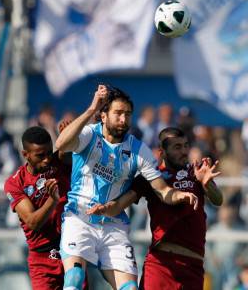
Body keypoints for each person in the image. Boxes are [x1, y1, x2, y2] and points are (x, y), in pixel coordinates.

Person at [55, 85, 199, 290]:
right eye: (118, 113)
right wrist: (91, 109)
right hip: (79, 217)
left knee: (130, 288)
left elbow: (163, 190)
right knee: (75, 278)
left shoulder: (138, 150)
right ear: (103, 116)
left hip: (113, 224)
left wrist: (179, 195)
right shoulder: (89, 135)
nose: (123, 120)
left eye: (128, 114)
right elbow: (61, 144)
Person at [87, 127, 223, 290]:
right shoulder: (151, 177)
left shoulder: (196, 172)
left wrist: (207, 184)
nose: (184, 151)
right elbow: (119, 205)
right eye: (177, 147)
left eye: (186, 146)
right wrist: (104, 208)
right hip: (160, 265)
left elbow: (218, 200)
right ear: (162, 151)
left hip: (192, 267)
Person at [4, 125, 85, 290]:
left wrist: (68, 133)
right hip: (41, 258)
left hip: (71, 248)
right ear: (25, 155)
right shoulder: (15, 183)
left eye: (49, 152)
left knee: (75, 282)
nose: (47, 159)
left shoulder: (59, 163)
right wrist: (52, 200)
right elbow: (32, 222)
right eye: (40, 155)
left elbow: (66, 149)